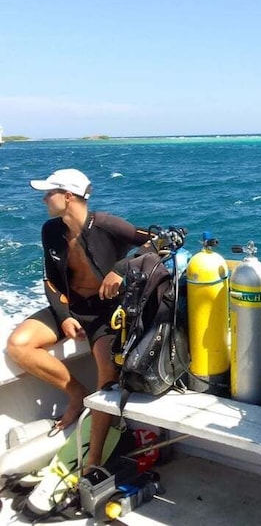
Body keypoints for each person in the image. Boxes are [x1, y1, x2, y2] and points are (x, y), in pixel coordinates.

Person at [6, 168, 153, 469]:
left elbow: (161, 241)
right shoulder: (50, 230)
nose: (44, 198)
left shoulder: (108, 225)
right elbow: (50, 280)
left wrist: (121, 268)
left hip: (106, 313)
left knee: (107, 374)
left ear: (68, 196)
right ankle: (76, 394)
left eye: (49, 192)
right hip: (70, 307)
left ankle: (93, 459)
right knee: (18, 345)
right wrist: (62, 317)